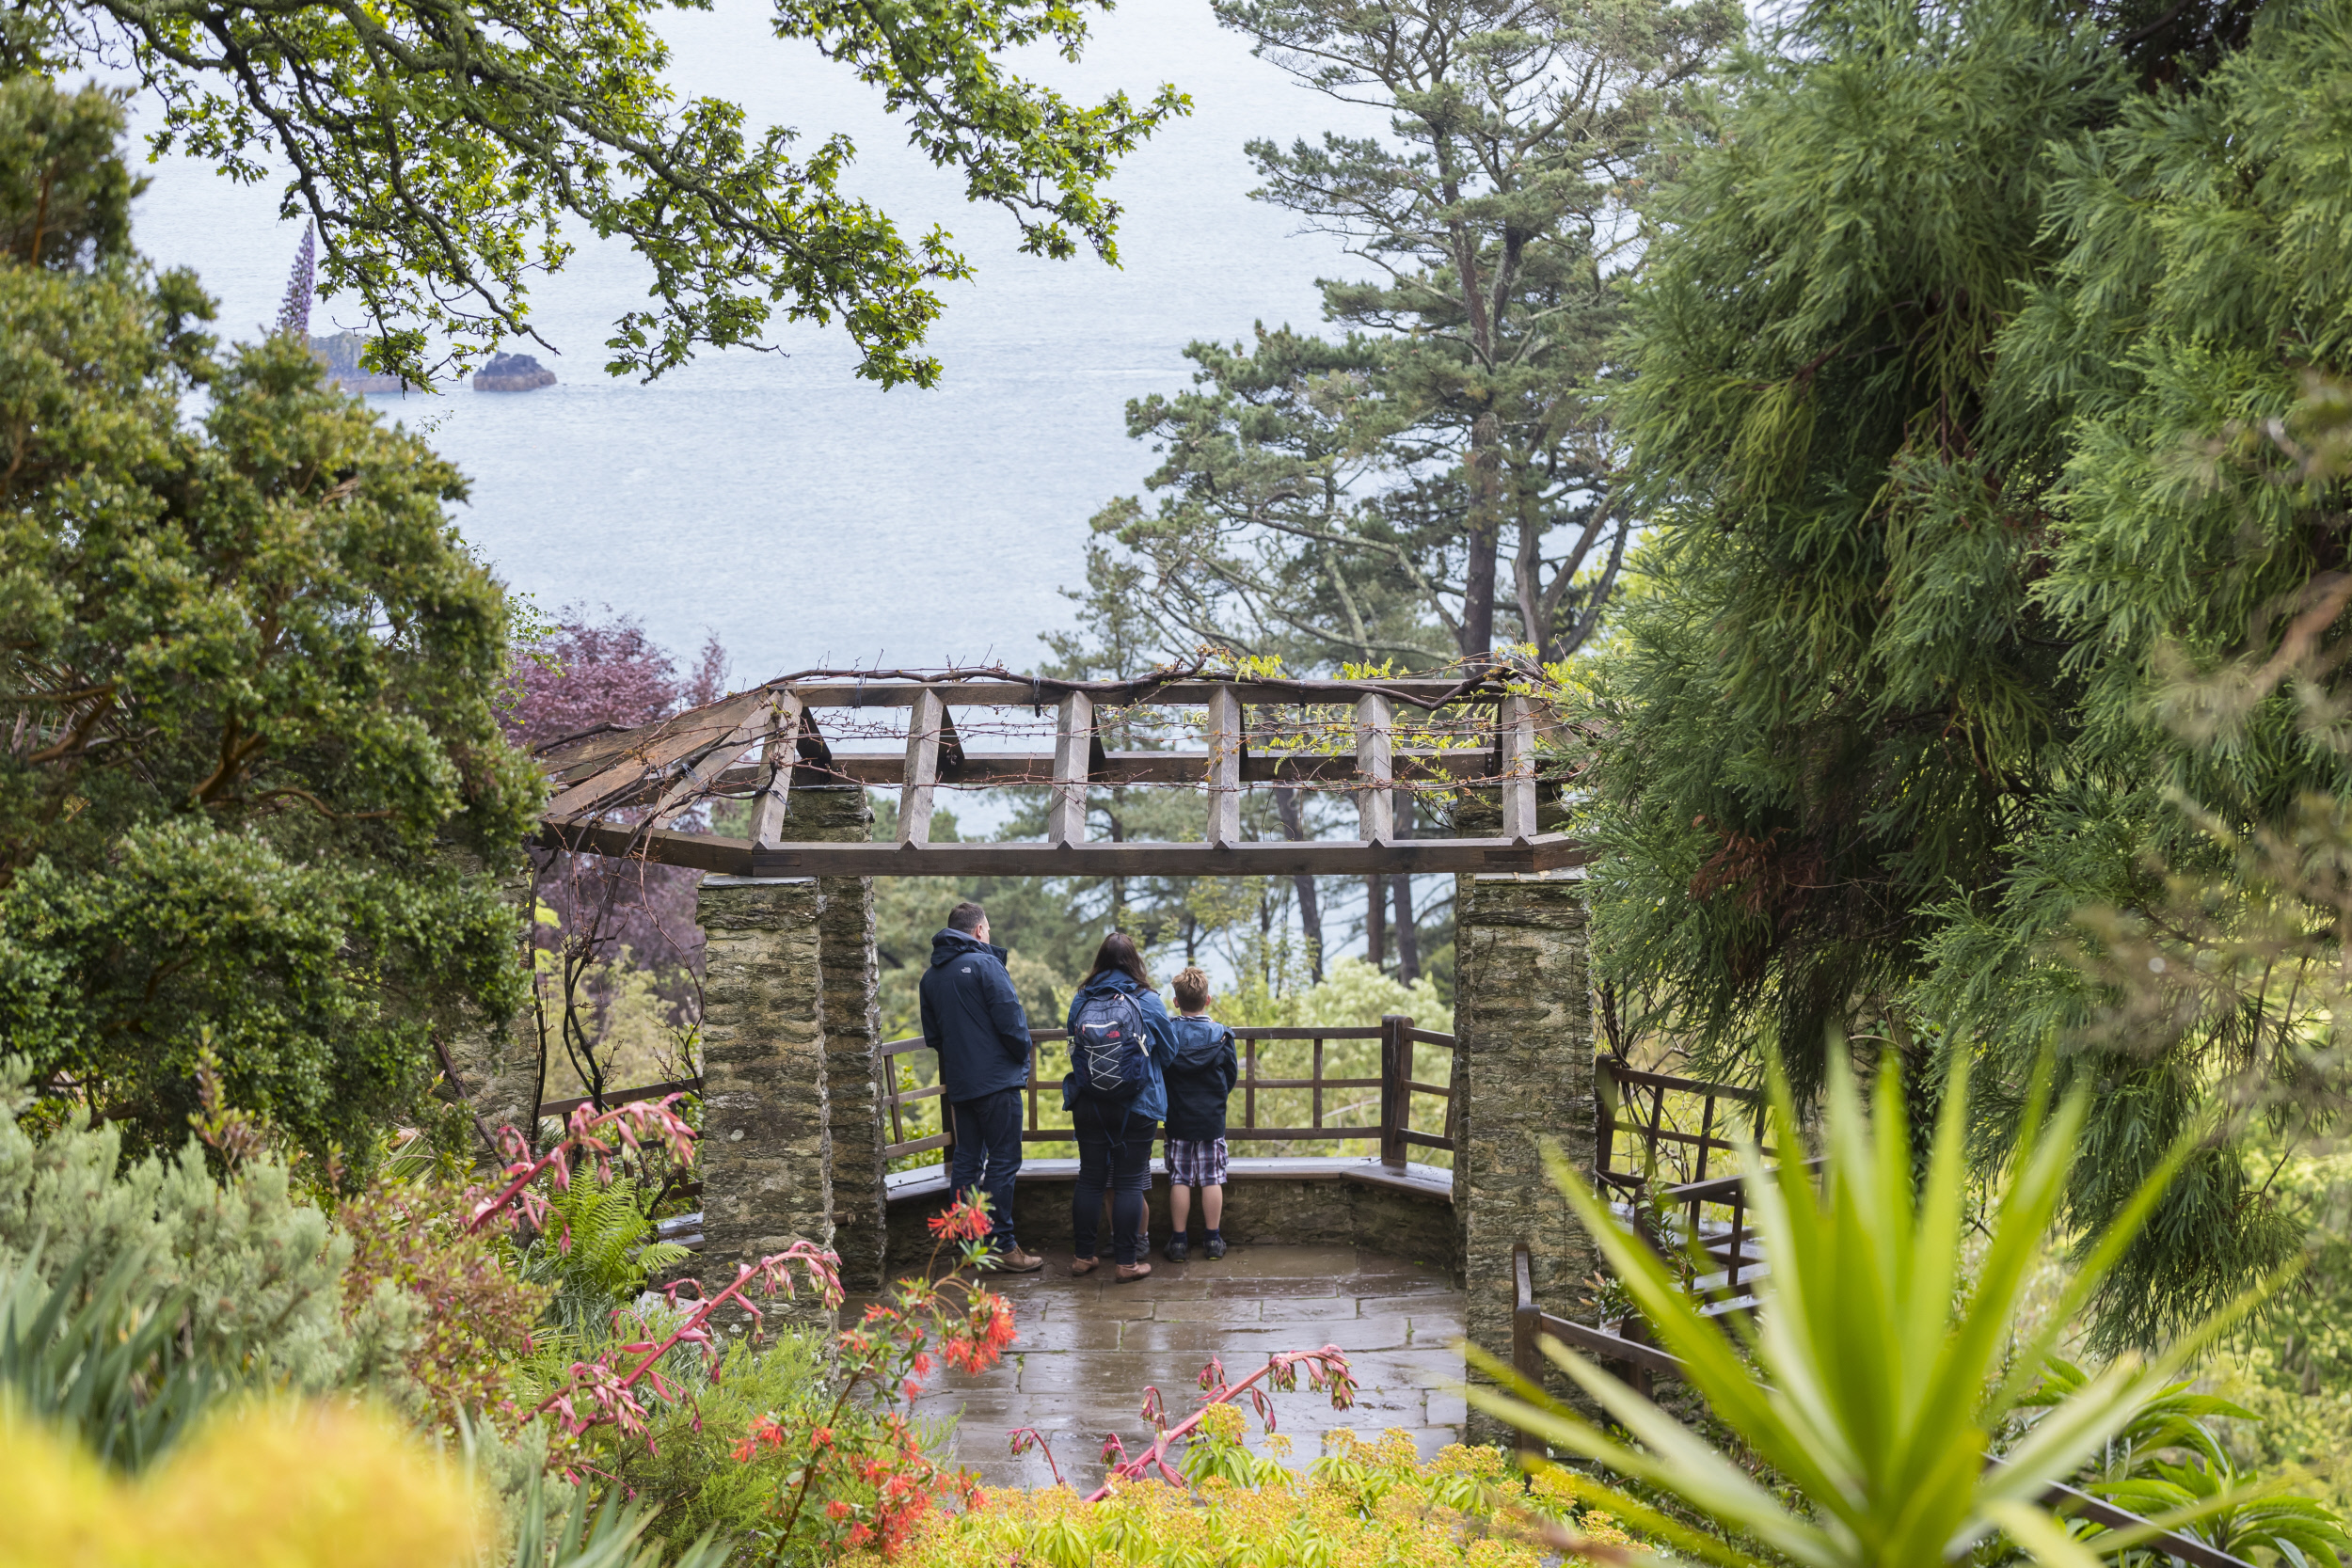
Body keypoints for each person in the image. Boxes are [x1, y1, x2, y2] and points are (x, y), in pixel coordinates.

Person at [918, 901, 1042, 1272]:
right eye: (987, 930)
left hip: (961, 1085)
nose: (989, 936)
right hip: (997, 1084)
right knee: (1004, 1161)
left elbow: (934, 1037)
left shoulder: (930, 977)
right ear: (978, 931)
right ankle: (1004, 1247)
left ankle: (969, 1246)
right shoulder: (987, 964)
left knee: (968, 1162)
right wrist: (1020, 1057)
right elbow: (1013, 1023)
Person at [1062, 931, 1178, 1281]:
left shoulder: (1081, 999)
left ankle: (1083, 1257)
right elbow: (1169, 1051)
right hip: (1137, 1105)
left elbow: (1071, 1040)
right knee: (1128, 1182)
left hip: (1089, 1103)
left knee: (1090, 1179)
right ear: (1134, 962)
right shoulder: (1148, 1000)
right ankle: (1127, 1264)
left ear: (1099, 961)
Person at [1160, 966, 1237, 1261]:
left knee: (1179, 1178)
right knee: (1211, 1178)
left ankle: (1179, 1243)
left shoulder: (1168, 1033)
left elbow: (1162, 1071)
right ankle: (1213, 1241)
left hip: (1177, 1116)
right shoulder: (1222, 1036)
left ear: (1177, 1001)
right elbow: (1230, 1077)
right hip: (1211, 1118)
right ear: (1208, 1000)